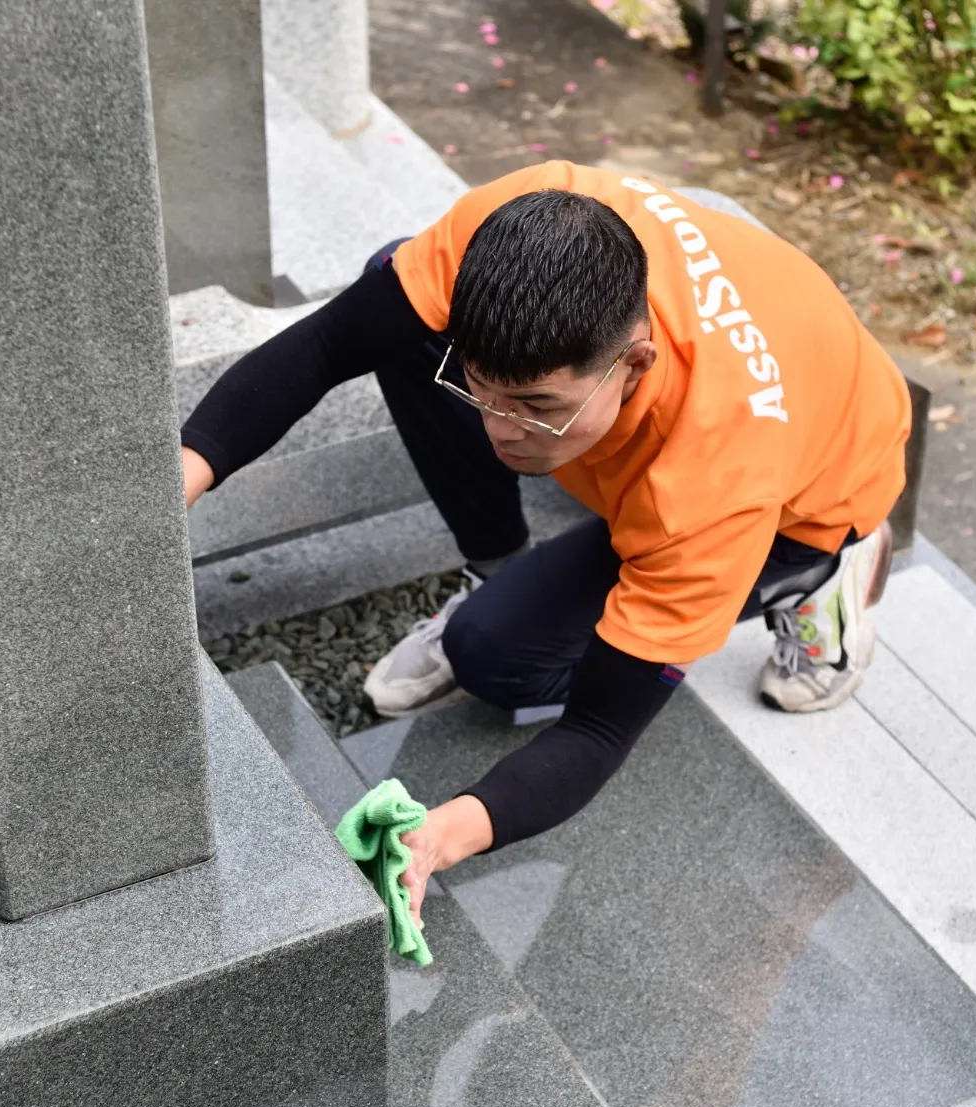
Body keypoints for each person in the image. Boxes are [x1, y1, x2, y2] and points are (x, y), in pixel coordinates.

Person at [179, 162, 909, 924]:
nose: (497, 431)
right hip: (696, 420)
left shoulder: (711, 490)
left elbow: (597, 729)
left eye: (534, 405)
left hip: (806, 497)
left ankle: (826, 574)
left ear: (635, 363)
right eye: (478, 386)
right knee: (395, 299)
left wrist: (444, 833)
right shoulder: (532, 221)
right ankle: (496, 558)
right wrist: (181, 476)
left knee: (492, 657)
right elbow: (334, 340)